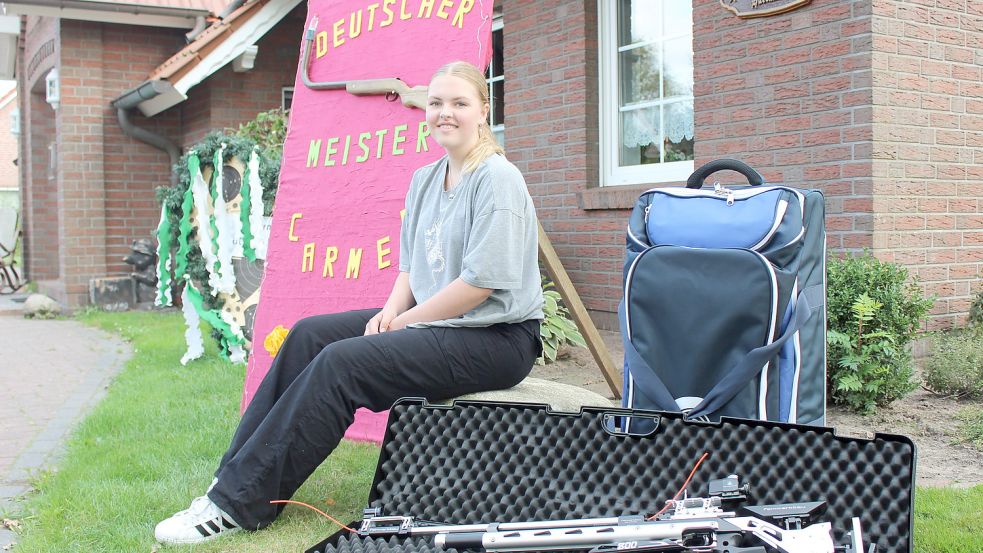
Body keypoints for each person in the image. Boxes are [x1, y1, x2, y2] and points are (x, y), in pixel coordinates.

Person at [153, 60, 544, 545]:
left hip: (496, 337)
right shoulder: (426, 178)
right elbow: (409, 267)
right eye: (437, 102)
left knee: (343, 364)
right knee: (309, 334)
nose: (446, 113)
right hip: (439, 323)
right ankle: (230, 478)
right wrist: (389, 311)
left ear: (483, 111)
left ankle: (238, 505)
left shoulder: (497, 180)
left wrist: (405, 323)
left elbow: (478, 287)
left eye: (460, 103)